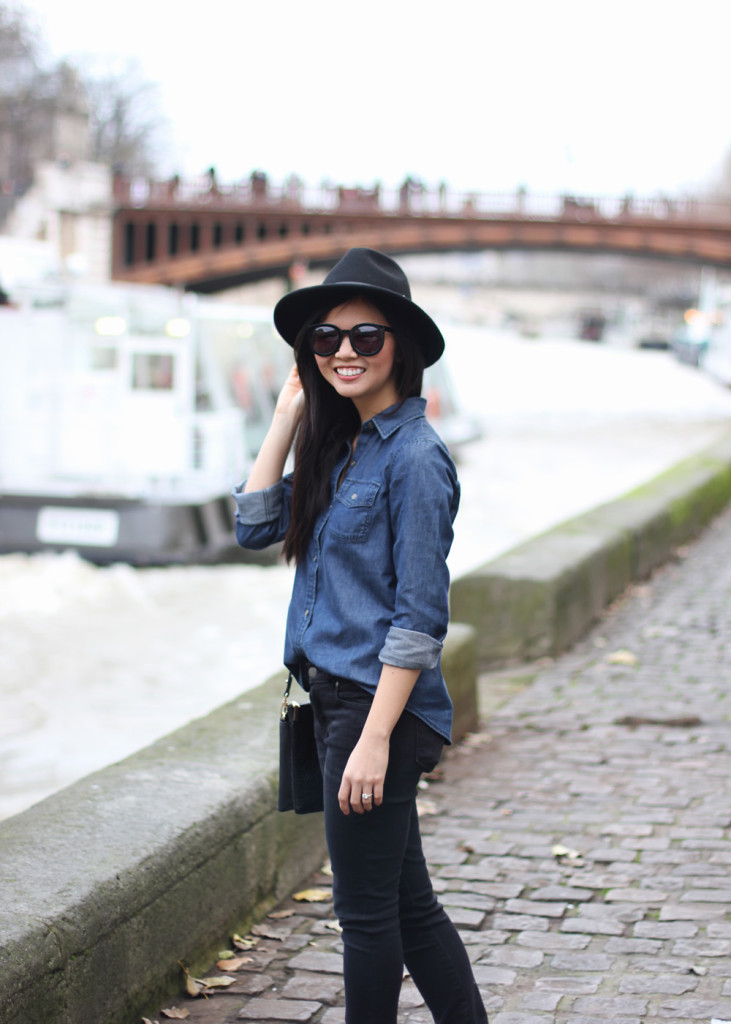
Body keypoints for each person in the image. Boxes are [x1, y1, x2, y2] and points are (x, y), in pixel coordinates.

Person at [233, 248, 488, 1024]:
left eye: (365, 337)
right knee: (408, 910)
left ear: (401, 350)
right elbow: (252, 526)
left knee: (366, 919)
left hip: (374, 711)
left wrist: (374, 738)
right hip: (335, 701)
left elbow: (419, 619)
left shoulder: (414, 458)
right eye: (325, 339)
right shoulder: (342, 446)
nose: (344, 351)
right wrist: (287, 414)